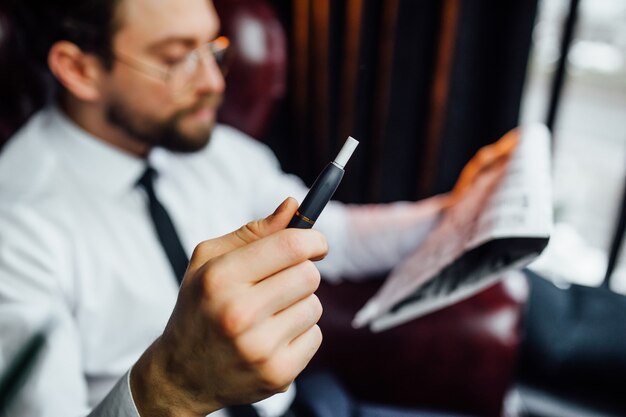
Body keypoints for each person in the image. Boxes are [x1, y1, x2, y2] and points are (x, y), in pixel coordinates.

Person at [0, 0, 514, 416]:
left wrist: (458, 208)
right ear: (80, 69)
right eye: (177, 57)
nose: (215, 83)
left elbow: (333, 235)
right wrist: (173, 386)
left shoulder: (213, 149)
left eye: (213, 48)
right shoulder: (16, 224)